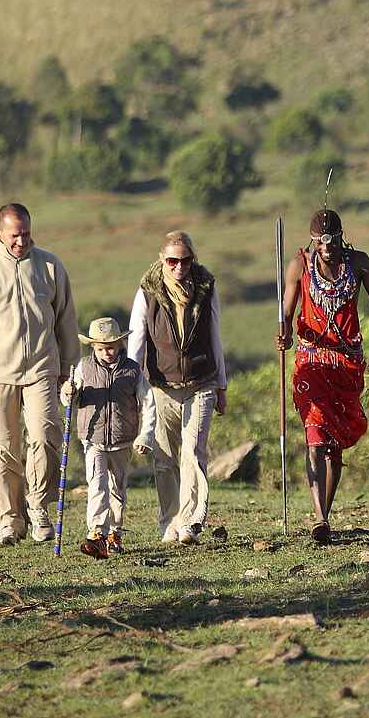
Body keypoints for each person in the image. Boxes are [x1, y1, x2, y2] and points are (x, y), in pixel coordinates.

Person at [0, 202, 79, 546]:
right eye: (15, 236)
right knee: (3, 450)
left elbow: (66, 320)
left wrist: (69, 369)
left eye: (26, 234)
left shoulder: (50, 266)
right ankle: (10, 521)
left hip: (42, 369)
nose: (21, 242)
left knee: (46, 435)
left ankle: (38, 508)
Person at [274, 208, 369, 545]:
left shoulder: (358, 262)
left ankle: (325, 511)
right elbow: (286, 310)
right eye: (319, 241)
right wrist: (283, 332)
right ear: (312, 240)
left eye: (331, 239)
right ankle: (320, 518)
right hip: (311, 360)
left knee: (335, 445)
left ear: (341, 235)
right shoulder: (299, 265)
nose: (325, 246)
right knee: (315, 436)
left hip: (346, 362)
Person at [126, 229, 228, 543]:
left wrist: (221, 384)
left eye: (184, 261)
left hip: (201, 381)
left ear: (192, 260)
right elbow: (137, 339)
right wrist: (131, 384)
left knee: (193, 452)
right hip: (160, 385)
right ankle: (169, 521)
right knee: (164, 458)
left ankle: (191, 522)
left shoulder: (206, 287)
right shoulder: (148, 291)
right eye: (172, 261)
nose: (178, 267)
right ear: (162, 260)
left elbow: (215, 335)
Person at [68, 316, 146, 557]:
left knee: (117, 488)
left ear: (120, 345)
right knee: (97, 485)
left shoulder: (132, 370)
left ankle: (115, 533)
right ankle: (96, 533)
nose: (107, 352)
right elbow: (71, 396)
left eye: (111, 347)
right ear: (93, 347)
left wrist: (146, 435)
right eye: (101, 348)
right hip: (93, 439)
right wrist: (68, 393)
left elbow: (147, 401)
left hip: (123, 439)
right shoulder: (83, 367)